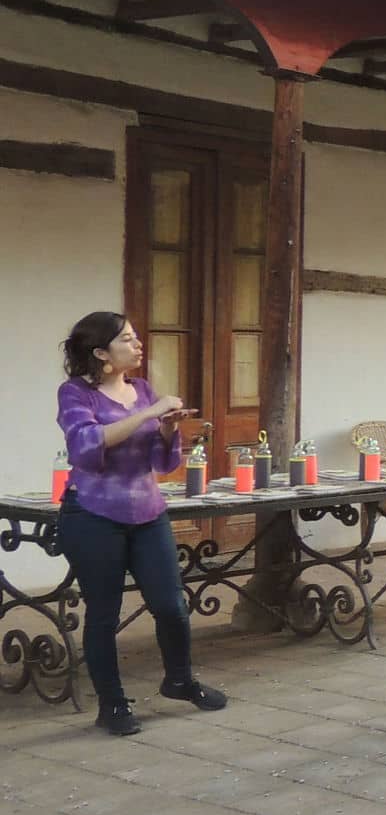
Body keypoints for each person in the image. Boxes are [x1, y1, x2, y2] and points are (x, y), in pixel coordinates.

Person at [55, 311, 227, 737]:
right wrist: (150, 412)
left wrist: (167, 429)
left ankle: (180, 680)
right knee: (104, 615)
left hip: (148, 513)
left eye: (135, 338)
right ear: (101, 353)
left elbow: (161, 460)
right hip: (92, 515)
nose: (138, 345)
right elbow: (86, 446)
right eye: (127, 340)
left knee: (171, 605)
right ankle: (112, 705)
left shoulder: (142, 390)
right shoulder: (76, 394)